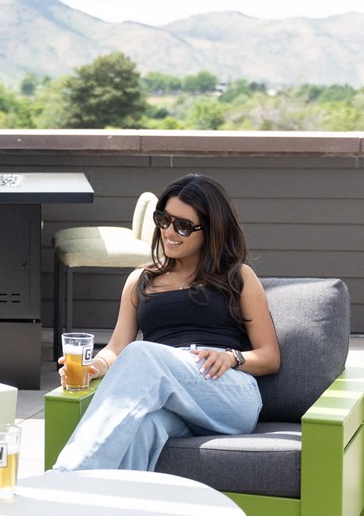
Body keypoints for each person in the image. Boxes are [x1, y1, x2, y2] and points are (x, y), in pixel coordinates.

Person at [52, 173, 280, 472]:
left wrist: (232, 357)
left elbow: (269, 357)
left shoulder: (238, 277)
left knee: (141, 352)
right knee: (142, 428)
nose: (169, 232)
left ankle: (64, 476)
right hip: (169, 400)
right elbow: (117, 347)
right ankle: (106, 500)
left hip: (226, 391)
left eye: (183, 226)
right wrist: (95, 367)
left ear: (211, 230)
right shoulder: (141, 280)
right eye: (163, 219)